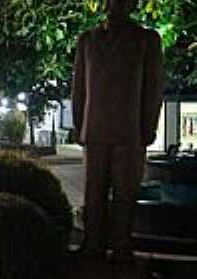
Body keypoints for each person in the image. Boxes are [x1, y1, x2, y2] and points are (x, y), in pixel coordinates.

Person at [72, 0, 164, 262]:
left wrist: (148, 126)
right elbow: (78, 88)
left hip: (130, 132)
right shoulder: (87, 40)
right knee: (94, 193)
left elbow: (153, 87)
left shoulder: (147, 40)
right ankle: (93, 246)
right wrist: (80, 127)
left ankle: (123, 247)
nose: (115, 5)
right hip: (95, 131)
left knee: (126, 194)